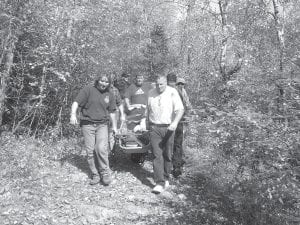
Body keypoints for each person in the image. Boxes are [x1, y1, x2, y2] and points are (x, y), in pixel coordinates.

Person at [70, 74, 118, 186]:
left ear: (109, 83)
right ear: (98, 80)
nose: (104, 84)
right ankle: (95, 174)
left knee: (101, 148)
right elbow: (76, 102)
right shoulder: (88, 90)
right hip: (88, 124)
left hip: (102, 124)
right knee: (90, 151)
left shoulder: (109, 94)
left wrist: (114, 127)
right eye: (102, 81)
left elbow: (112, 112)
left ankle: (105, 173)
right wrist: (73, 114)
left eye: (106, 82)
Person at [146, 75, 184, 194]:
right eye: (157, 84)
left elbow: (180, 109)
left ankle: (166, 176)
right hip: (154, 127)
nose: (159, 86)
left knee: (167, 154)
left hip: (168, 127)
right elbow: (147, 110)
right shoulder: (151, 93)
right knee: (157, 155)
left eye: (161, 84)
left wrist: (175, 123)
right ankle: (159, 182)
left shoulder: (172, 92)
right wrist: (144, 122)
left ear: (166, 83)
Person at [167, 74, 192, 178]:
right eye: (179, 83)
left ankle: (171, 167)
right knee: (176, 144)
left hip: (171, 122)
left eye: (182, 84)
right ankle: (176, 167)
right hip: (178, 121)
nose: (181, 85)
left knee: (171, 144)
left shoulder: (166, 90)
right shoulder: (180, 91)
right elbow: (187, 105)